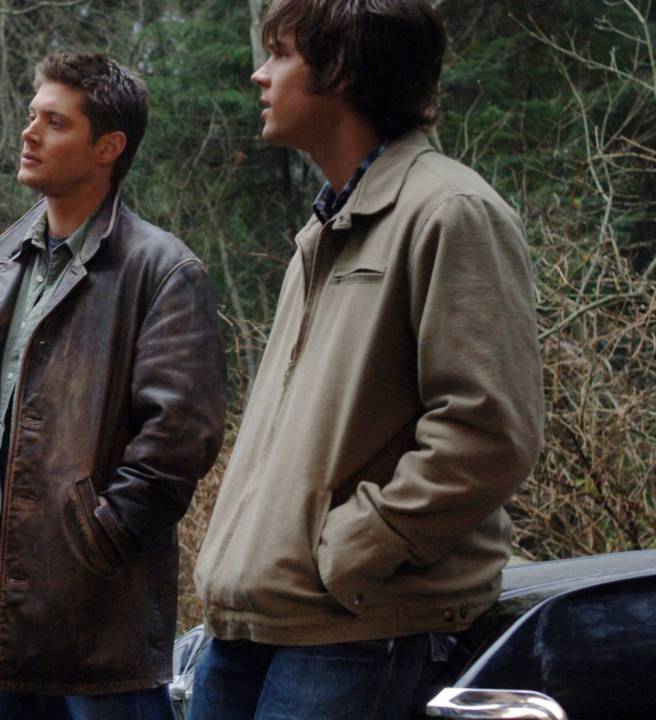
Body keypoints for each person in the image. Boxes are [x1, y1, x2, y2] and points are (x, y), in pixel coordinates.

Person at [190, 1, 544, 718]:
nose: (260, 74)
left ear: (342, 71)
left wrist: (358, 547)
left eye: (281, 54)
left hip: (359, 622)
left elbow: (488, 433)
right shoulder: (322, 231)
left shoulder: (451, 211)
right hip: (257, 618)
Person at [0, 52, 226, 720]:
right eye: (32, 115)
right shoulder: (0, 271)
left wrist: (102, 537)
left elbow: (179, 439)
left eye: (55, 122)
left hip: (101, 627)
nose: (29, 133)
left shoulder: (162, 270)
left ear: (108, 147)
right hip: (1, 625)